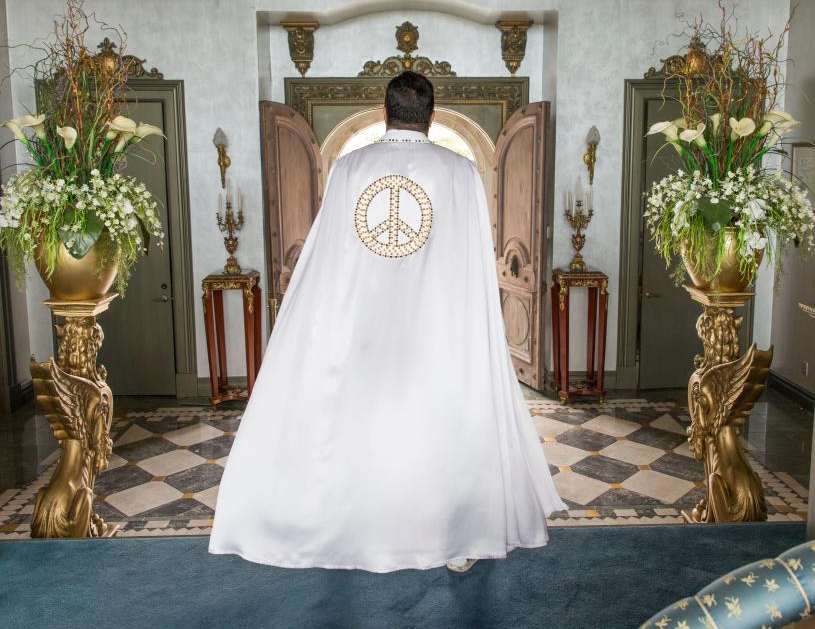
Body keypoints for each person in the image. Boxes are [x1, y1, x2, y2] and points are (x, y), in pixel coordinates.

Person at [209, 71, 565, 573]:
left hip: (365, 325)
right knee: (437, 430)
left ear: (384, 112)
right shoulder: (461, 171)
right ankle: (454, 539)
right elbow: (472, 260)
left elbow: (330, 256)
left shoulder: (350, 167)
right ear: (432, 117)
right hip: (438, 324)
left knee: (364, 427)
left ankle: (356, 531)